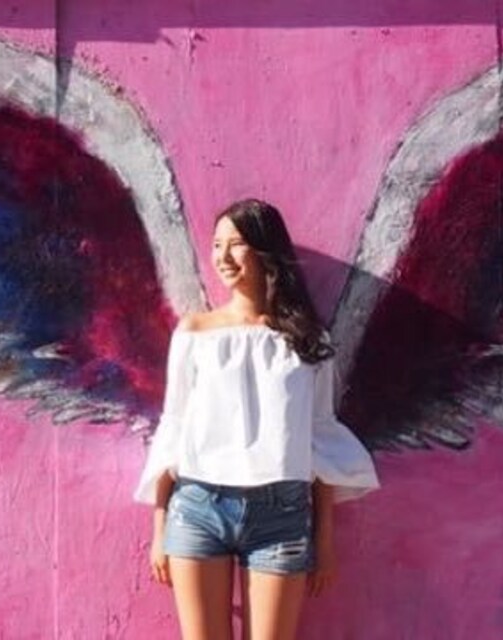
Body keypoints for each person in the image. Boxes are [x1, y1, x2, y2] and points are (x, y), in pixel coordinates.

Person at [134, 198, 380, 640]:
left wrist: (324, 542)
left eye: (236, 244)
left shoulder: (307, 341)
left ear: (265, 249)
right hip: (198, 508)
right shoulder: (194, 333)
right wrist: (159, 528)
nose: (222, 257)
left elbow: (318, 439)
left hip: (281, 514)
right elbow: (174, 429)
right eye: (216, 245)